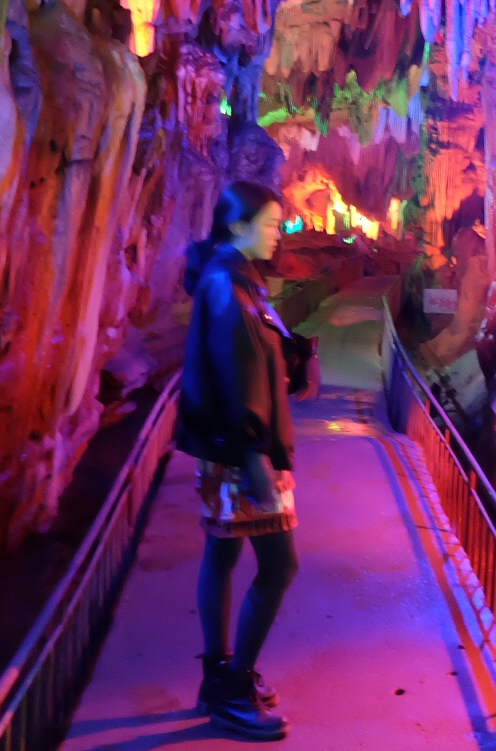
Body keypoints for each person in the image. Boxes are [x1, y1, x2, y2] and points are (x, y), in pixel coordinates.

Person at [175, 180, 317, 741]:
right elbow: (237, 376)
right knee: (280, 566)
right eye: (270, 224)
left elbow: (263, 342)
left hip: (229, 451)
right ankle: (233, 689)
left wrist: (302, 353)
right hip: (242, 455)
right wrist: (257, 457)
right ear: (238, 226)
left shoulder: (236, 277)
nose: (278, 234)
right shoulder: (227, 287)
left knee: (223, 557)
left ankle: (219, 677)